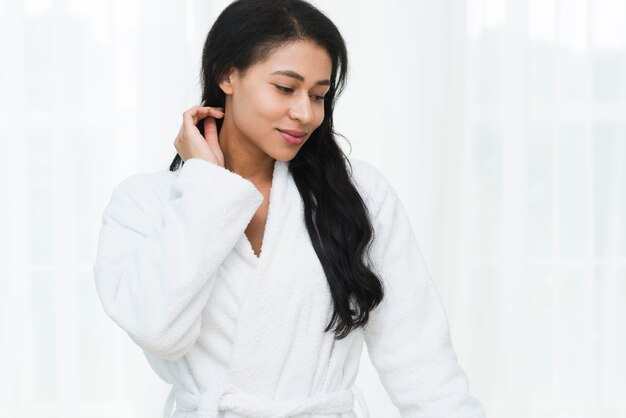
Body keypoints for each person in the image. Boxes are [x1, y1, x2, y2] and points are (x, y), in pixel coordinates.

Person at [93, 0, 487, 417]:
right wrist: (206, 187)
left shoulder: (358, 194)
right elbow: (158, 330)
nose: (305, 113)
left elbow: (422, 361)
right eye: (285, 88)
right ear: (227, 74)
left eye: (319, 95)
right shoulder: (143, 204)